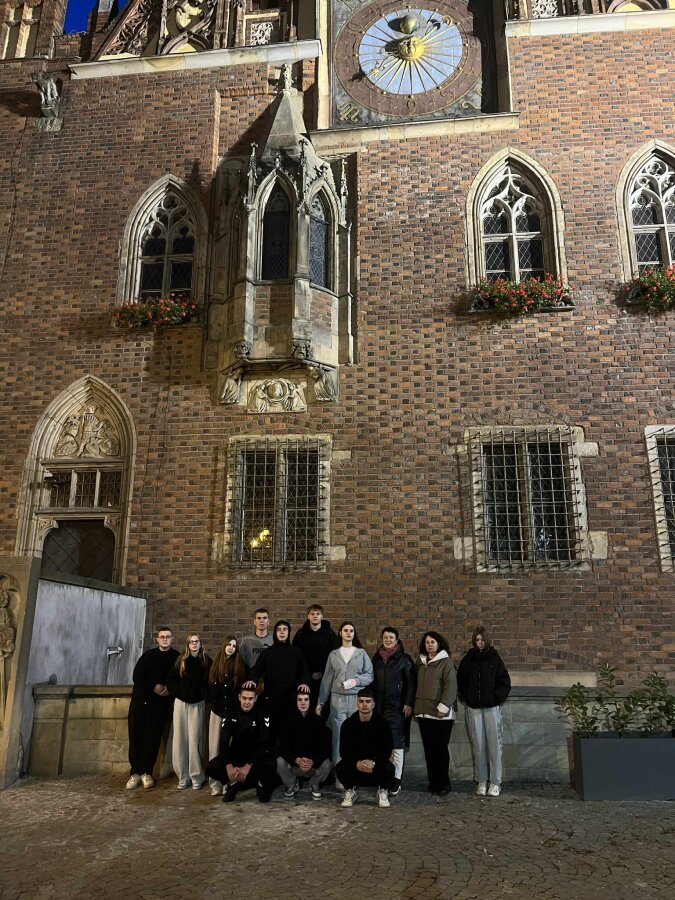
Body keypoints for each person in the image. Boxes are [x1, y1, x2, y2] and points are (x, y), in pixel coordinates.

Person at [457, 626, 511, 798]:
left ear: (486, 640)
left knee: (495, 746)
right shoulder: (469, 659)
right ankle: (481, 780)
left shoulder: (494, 658)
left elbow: (504, 681)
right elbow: (461, 680)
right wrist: (467, 697)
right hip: (473, 709)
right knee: (478, 745)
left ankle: (495, 782)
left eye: (482, 640)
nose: (479, 643)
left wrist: (496, 698)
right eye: (477, 640)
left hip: (491, 708)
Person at [126, 626, 179, 790]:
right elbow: (137, 676)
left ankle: (146, 772)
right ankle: (135, 773)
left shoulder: (177, 657)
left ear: (172, 639)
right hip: (140, 703)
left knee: (152, 739)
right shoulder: (147, 656)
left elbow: (178, 679)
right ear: (157, 639)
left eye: (168, 637)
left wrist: (169, 689)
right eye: (162, 637)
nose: (165, 639)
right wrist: (153, 687)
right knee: (136, 738)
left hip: (159, 705)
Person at [316, 621, 373, 765]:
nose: (348, 633)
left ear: (354, 634)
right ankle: (339, 771)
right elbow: (327, 680)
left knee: (356, 735)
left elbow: (370, 675)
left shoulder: (361, 653)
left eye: (351, 630)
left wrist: (355, 681)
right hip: (337, 699)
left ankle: (356, 769)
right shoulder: (334, 654)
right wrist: (321, 702)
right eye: (346, 630)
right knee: (338, 735)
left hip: (356, 699)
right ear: (340, 633)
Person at [207, 686, 276, 803]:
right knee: (212, 767)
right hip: (237, 754)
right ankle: (233, 783)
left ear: (255, 698)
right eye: (244, 698)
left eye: (250, 699)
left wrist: (248, 766)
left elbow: (264, 744)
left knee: (271, 764)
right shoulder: (230, 712)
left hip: (255, 756)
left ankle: (259, 784)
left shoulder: (262, 713)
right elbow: (223, 742)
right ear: (239, 697)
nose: (247, 702)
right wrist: (229, 766)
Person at [372, 626, 416, 795]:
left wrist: (408, 703)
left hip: (397, 708)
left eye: (391, 637)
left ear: (397, 640)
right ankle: (383, 776)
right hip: (379, 708)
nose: (388, 640)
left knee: (397, 745)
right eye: (385, 637)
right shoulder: (376, 659)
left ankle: (396, 779)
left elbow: (411, 683)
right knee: (382, 745)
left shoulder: (404, 659)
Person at [335, 687, 395, 809]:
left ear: (373, 704)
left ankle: (383, 790)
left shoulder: (383, 724)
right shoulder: (348, 724)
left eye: (368, 701)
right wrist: (356, 763)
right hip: (356, 768)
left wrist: (374, 762)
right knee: (340, 767)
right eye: (361, 701)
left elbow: (387, 750)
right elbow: (344, 751)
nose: (364, 704)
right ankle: (350, 790)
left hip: (375, 768)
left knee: (389, 768)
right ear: (357, 703)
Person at [414, 630, 457, 796]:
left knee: (440, 749)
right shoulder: (420, 662)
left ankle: (443, 783)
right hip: (424, 713)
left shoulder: (446, 662)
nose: (429, 645)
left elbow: (451, 686)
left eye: (432, 642)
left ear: (439, 644)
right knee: (429, 750)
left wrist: (443, 707)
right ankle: (433, 782)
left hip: (440, 715)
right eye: (427, 642)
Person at [166, 633, 211, 790]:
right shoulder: (181, 660)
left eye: (196, 641)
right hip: (181, 703)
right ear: (187, 644)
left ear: (200, 643)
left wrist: (204, 696)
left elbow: (211, 682)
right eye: (191, 641)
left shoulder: (206, 661)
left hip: (198, 704)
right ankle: (183, 776)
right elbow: (170, 681)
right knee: (180, 739)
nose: (194, 644)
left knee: (195, 740)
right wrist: (179, 693)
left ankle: (196, 776)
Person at [245, 620, 311, 724]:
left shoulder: (296, 652)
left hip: (290, 699)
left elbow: (305, 671)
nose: (282, 632)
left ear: (288, 632)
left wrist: (304, 682)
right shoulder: (268, 652)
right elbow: (257, 668)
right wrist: (251, 679)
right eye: (279, 629)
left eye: (285, 629)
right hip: (271, 698)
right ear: (275, 633)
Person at [206, 636, 248, 796]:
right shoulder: (214, 665)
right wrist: (212, 701)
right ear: (224, 646)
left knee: (230, 748)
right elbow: (205, 686)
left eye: (234, 646)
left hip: (232, 714)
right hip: (217, 712)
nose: (231, 647)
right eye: (229, 645)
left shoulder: (240, 667)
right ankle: (215, 782)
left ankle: (229, 781)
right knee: (214, 748)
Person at [276, 690, 333, 800]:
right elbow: (283, 747)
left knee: (328, 763)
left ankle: (314, 784)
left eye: (306, 700)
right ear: (295, 702)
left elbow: (324, 748)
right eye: (299, 700)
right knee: (279, 761)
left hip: (313, 767)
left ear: (310, 702)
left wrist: (312, 761)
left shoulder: (318, 721)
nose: (303, 703)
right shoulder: (287, 721)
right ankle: (291, 784)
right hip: (294, 766)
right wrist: (296, 759)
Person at [292, 604, 339, 711]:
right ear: (308, 616)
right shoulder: (300, 634)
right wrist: (305, 674)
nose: (315, 616)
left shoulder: (330, 634)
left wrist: (322, 672)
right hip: (305, 677)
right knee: (306, 706)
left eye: (318, 614)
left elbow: (334, 656)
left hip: (325, 676)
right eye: (312, 614)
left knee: (323, 707)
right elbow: (296, 656)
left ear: (322, 616)